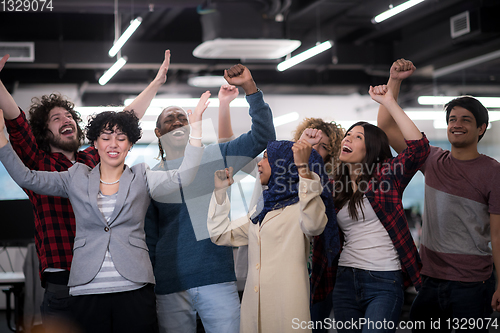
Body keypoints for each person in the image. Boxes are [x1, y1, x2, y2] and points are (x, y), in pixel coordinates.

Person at [0, 90, 208, 332]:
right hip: (86, 289)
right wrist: (2, 141)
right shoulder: (76, 176)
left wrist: (198, 130)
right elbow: (27, 177)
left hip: (135, 288)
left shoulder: (142, 175)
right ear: (95, 143)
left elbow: (185, 177)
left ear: (130, 144)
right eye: (106, 137)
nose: (113, 143)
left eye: (121, 138)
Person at [144, 64, 276, 333]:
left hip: (215, 277)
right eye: (169, 119)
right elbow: (149, 237)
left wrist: (249, 87)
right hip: (170, 283)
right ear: (158, 133)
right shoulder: (153, 179)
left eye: (183, 117)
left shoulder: (217, 156)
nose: (177, 121)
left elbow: (263, 137)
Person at [377, 59, 500, 331]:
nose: (457, 124)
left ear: (481, 128)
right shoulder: (432, 159)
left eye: (466, 120)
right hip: (430, 280)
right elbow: (386, 128)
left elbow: (497, 234)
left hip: (473, 285)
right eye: (452, 119)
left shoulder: (493, 171)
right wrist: (394, 81)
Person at [311, 83, 430, 333]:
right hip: (345, 279)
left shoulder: (387, 176)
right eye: (348, 135)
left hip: (384, 279)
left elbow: (419, 149)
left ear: (371, 148)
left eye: (358, 137)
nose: (348, 139)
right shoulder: (334, 187)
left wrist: (389, 102)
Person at [207, 138, 338, 333]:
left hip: (285, 311)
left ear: (284, 164)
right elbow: (219, 234)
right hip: (254, 313)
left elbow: (314, 226)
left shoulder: (303, 207)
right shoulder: (261, 210)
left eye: (267, 158)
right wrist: (220, 192)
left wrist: (303, 169)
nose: (259, 163)